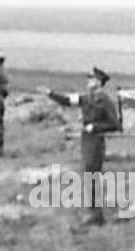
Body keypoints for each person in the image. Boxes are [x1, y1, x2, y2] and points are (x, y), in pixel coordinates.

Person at [41, 66, 122, 226]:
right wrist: (50, 93)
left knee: (92, 176)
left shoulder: (104, 100)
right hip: (87, 141)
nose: (88, 82)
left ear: (98, 82)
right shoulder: (87, 98)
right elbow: (67, 101)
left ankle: (96, 215)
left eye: (91, 79)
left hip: (96, 142)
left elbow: (116, 125)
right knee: (88, 176)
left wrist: (95, 127)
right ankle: (94, 213)